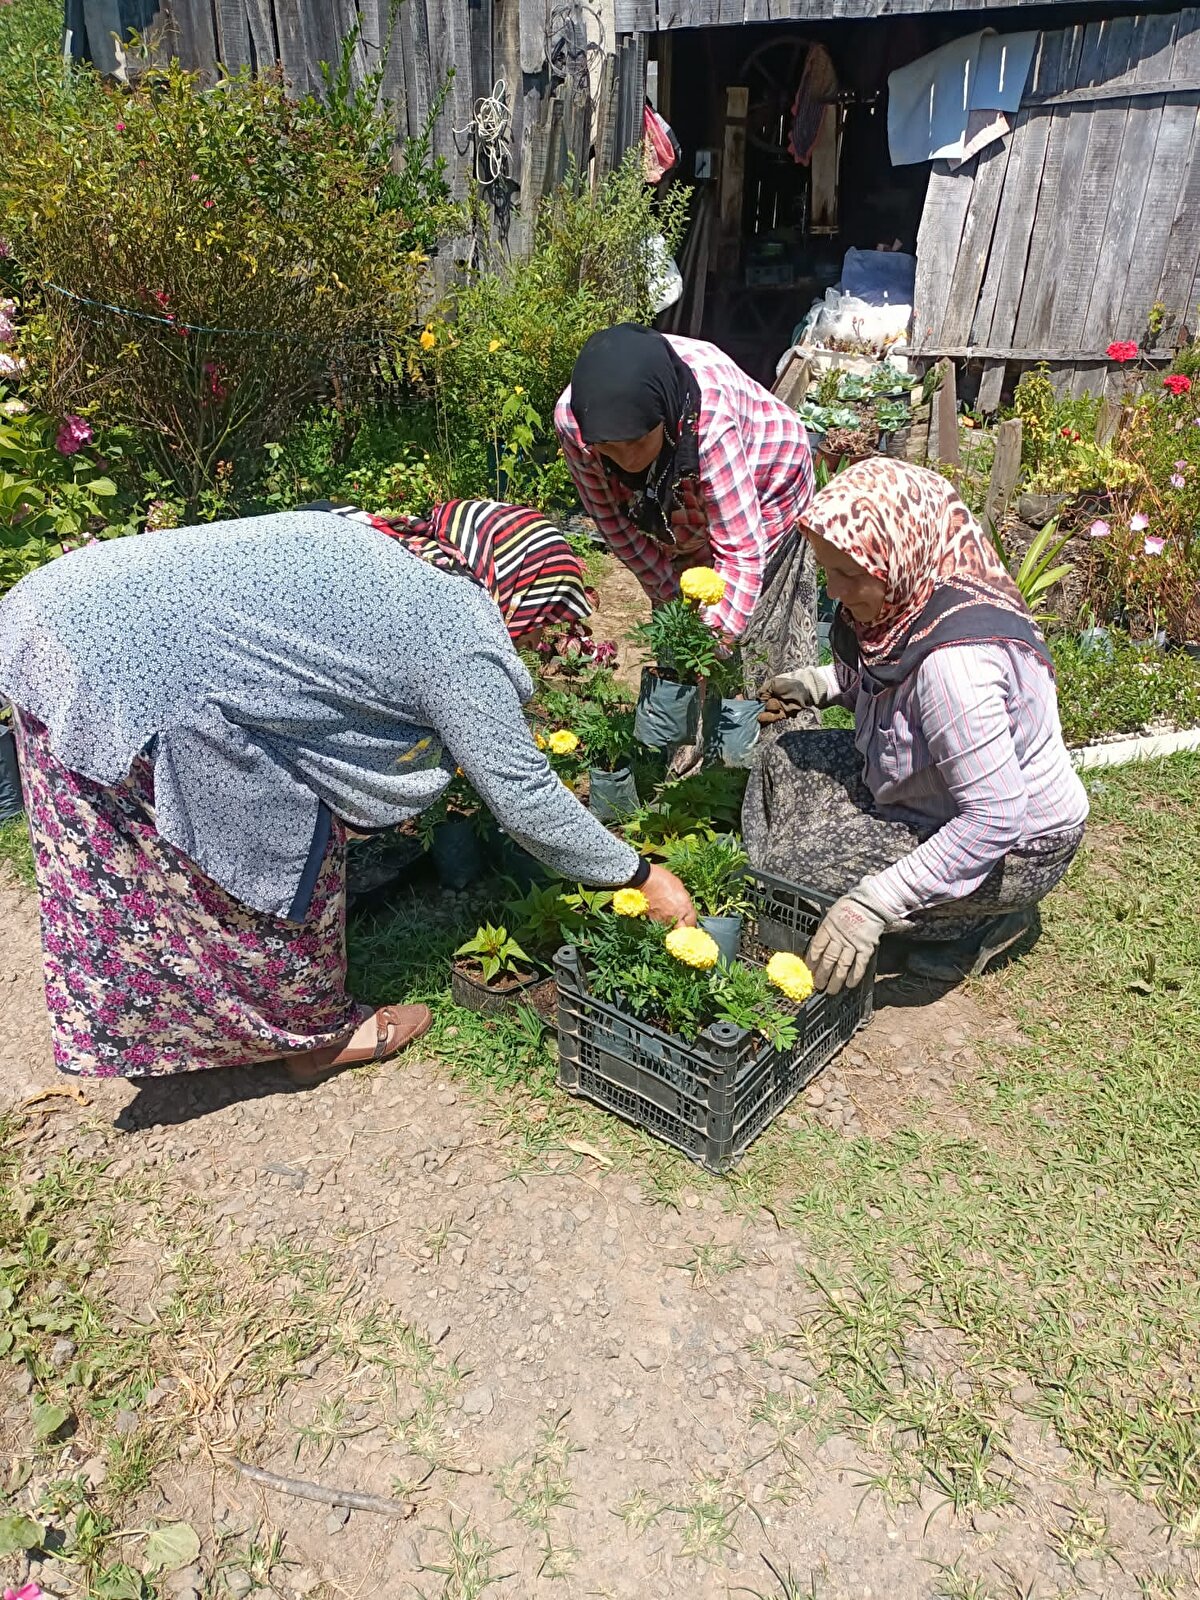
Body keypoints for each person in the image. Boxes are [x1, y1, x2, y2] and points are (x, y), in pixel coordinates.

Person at [0, 501, 696, 1084]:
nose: (537, 640)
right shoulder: (457, 632)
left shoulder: (388, 540)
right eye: (544, 621)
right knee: (270, 841)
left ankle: (156, 1019)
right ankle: (312, 1038)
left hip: (51, 617)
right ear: (522, 587)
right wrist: (639, 873)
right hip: (126, 672)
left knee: (125, 864)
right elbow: (521, 793)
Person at [746, 458, 1089, 990]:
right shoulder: (916, 595)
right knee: (785, 757)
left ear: (898, 559)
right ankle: (903, 900)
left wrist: (874, 902)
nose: (833, 592)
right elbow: (893, 686)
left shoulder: (957, 667)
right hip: (938, 793)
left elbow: (995, 817)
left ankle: (978, 920)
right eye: (827, 571)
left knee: (796, 871)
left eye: (849, 574)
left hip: (1018, 846)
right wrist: (822, 683)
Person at [554, 324, 818, 699]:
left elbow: (742, 554)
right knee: (679, 613)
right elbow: (615, 527)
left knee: (753, 626)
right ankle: (686, 735)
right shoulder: (576, 425)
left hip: (768, 475)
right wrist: (673, 609)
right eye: (611, 449)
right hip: (677, 484)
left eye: (638, 441)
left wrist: (707, 649)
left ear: (665, 414)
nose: (628, 461)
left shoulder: (708, 418)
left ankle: (754, 726)